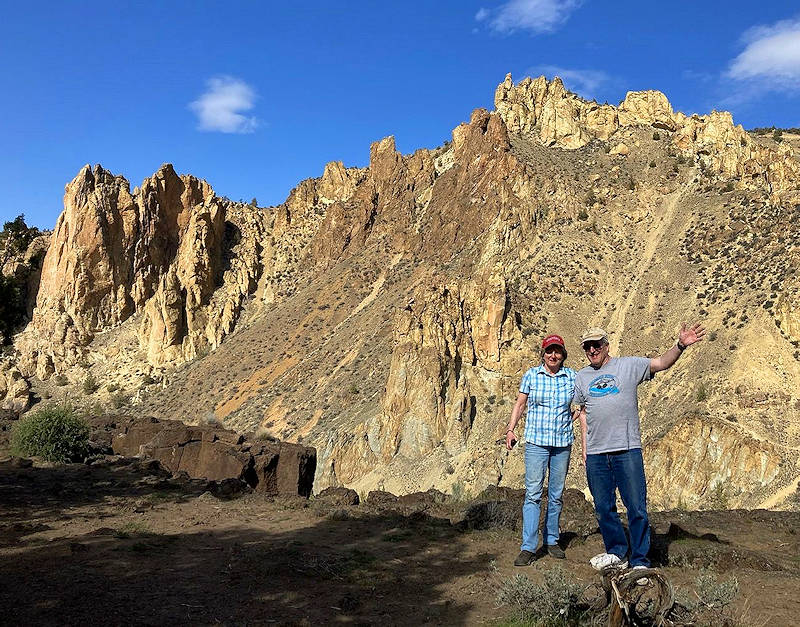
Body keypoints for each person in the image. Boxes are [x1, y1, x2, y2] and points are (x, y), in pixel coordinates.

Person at [573, 323, 705, 571]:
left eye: (597, 345)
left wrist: (679, 346)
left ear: (606, 345)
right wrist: (584, 447)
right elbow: (582, 413)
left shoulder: (628, 365)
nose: (592, 350)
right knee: (603, 507)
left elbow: (660, 363)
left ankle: (640, 560)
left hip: (627, 449)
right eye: (588, 347)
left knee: (636, 506)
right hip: (596, 453)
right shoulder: (581, 377)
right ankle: (617, 553)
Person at [505, 334, 577, 566]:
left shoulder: (572, 377)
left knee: (556, 495)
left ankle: (552, 541)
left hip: (562, 443)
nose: (553, 355)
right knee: (533, 494)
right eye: (549, 351)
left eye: (557, 351)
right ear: (543, 354)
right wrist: (511, 429)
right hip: (536, 442)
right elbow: (520, 403)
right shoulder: (531, 376)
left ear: (563, 354)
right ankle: (528, 546)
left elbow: (583, 403)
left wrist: (574, 416)